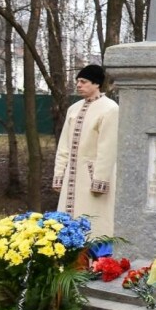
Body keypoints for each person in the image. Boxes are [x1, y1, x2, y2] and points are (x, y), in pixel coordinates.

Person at [52, 64, 120, 237]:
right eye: (78, 81)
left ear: (96, 84)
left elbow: (108, 148)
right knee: (66, 225)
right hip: (71, 175)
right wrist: (59, 174)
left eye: (83, 81)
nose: (79, 85)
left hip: (91, 177)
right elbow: (64, 145)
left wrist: (99, 180)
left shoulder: (110, 109)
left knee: (95, 225)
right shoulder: (73, 109)